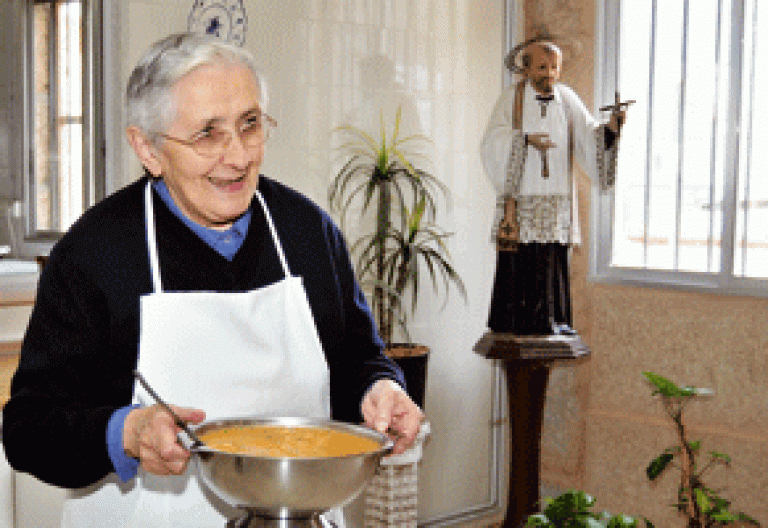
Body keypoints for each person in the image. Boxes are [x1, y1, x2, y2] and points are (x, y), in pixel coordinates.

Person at [2, 32, 423, 528]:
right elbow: (30, 429)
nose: (239, 156)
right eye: (207, 134)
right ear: (148, 148)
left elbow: (359, 356)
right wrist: (126, 433)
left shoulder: (307, 232)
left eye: (250, 125)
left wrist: (381, 387)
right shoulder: (95, 253)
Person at [480, 39, 626, 336]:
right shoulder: (512, 98)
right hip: (522, 203)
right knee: (522, 262)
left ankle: (552, 320)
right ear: (527, 67)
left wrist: (611, 129)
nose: (549, 74)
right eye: (542, 67)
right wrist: (523, 141)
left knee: (551, 261)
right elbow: (491, 142)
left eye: (554, 67)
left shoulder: (567, 98)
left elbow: (589, 137)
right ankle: (515, 321)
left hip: (557, 199)